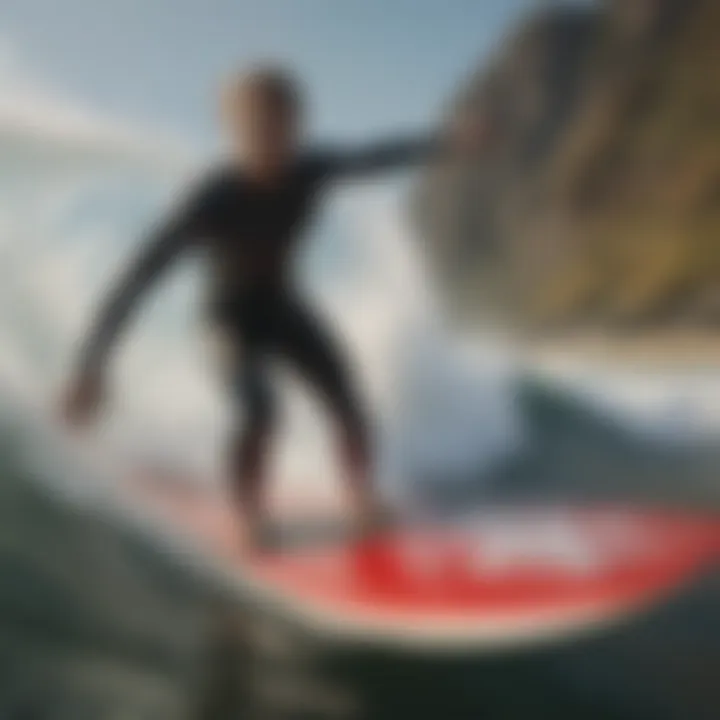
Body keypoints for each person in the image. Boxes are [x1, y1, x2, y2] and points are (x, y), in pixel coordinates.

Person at [62, 66, 482, 551]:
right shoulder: (211, 199)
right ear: (234, 132)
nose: (270, 141)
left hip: (282, 306)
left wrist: (448, 143)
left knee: (347, 400)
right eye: (256, 129)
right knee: (261, 410)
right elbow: (137, 279)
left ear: (297, 126)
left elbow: (376, 157)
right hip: (228, 319)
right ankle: (248, 514)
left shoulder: (310, 168)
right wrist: (90, 367)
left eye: (281, 127)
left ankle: (361, 497)